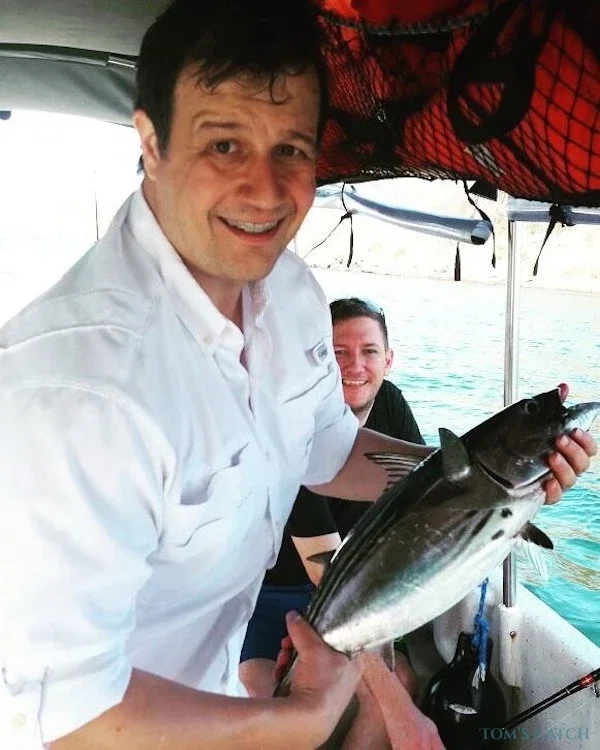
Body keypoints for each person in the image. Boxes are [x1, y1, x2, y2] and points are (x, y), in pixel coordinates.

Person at [0, 1, 595, 748]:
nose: (266, 190)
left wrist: (488, 476)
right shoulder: (75, 393)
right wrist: (296, 721)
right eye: (225, 145)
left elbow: (330, 451)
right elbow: (66, 714)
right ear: (151, 142)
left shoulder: (289, 295)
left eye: (291, 149)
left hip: (217, 681)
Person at [240, 297, 424, 699]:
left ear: (388, 360)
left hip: (360, 581)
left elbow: (423, 498)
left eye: (369, 352)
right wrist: (399, 710)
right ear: (320, 362)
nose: (355, 366)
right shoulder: (294, 423)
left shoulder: (390, 402)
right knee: (265, 693)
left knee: (403, 681)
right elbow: (324, 573)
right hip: (277, 594)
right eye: (339, 352)